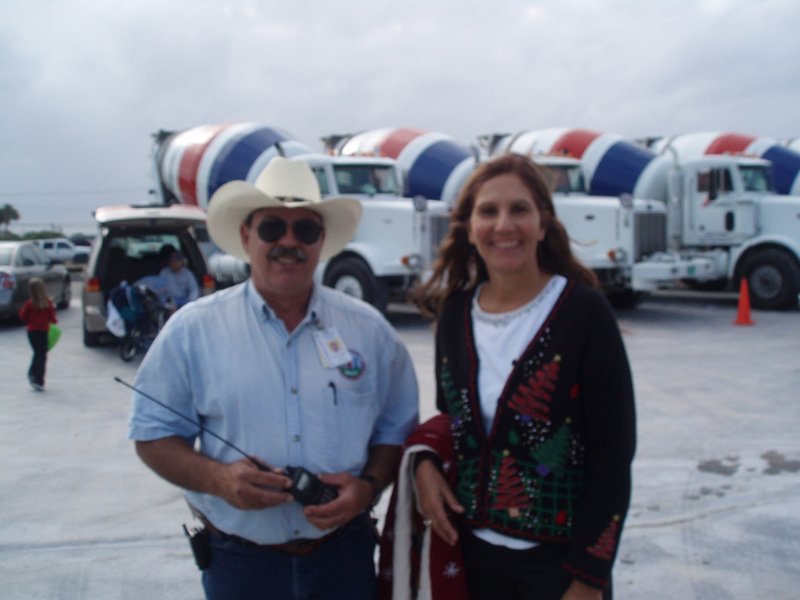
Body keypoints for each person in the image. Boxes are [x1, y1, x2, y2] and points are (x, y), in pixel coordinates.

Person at [128, 157, 419, 600]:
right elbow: (153, 435)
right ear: (246, 237)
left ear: (321, 241)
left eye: (305, 229)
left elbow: (397, 427)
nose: (289, 241)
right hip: (239, 566)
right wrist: (218, 479)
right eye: (271, 228)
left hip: (345, 559)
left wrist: (368, 487)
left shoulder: (371, 330)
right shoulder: (192, 330)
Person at [398, 153, 636, 600]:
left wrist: (588, 578)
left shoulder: (584, 313)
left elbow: (614, 457)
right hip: (470, 560)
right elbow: (453, 417)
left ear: (543, 224)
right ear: (469, 227)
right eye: (488, 211)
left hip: (559, 569)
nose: (504, 225)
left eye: (519, 209)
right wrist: (425, 464)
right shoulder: (454, 317)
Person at [18, 277, 57, 391]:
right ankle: (38, 379)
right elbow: (53, 319)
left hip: (32, 331)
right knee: (42, 354)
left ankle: (33, 374)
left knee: (37, 352)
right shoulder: (48, 303)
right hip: (43, 331)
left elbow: (22, 316)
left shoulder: (29, 303)